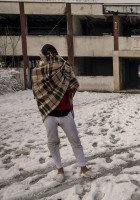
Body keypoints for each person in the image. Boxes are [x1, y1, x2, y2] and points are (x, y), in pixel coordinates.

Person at [32, 44, 96, 183]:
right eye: (47, 53)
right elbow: (37, 91)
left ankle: (83, 168)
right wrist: (51, 95)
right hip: (49, 113)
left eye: (52, 52)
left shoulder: (65, 67)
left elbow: (73, 85)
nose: (50, 55)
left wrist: (63, 90)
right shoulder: (39, 71)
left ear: (56, 53)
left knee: (75, 141)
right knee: (53, 142)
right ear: (43, 55)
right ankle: (59, 169)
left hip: (65, 112)